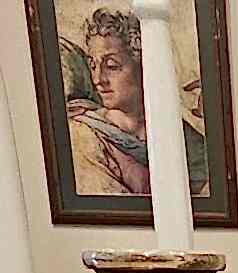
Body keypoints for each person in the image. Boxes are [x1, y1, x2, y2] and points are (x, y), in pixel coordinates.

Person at [67, 8, 208, 196]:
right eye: (93, 66)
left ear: (143, 67)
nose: (98, 79)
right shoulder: (84, 136)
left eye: (111, 66)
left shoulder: (180, 134)